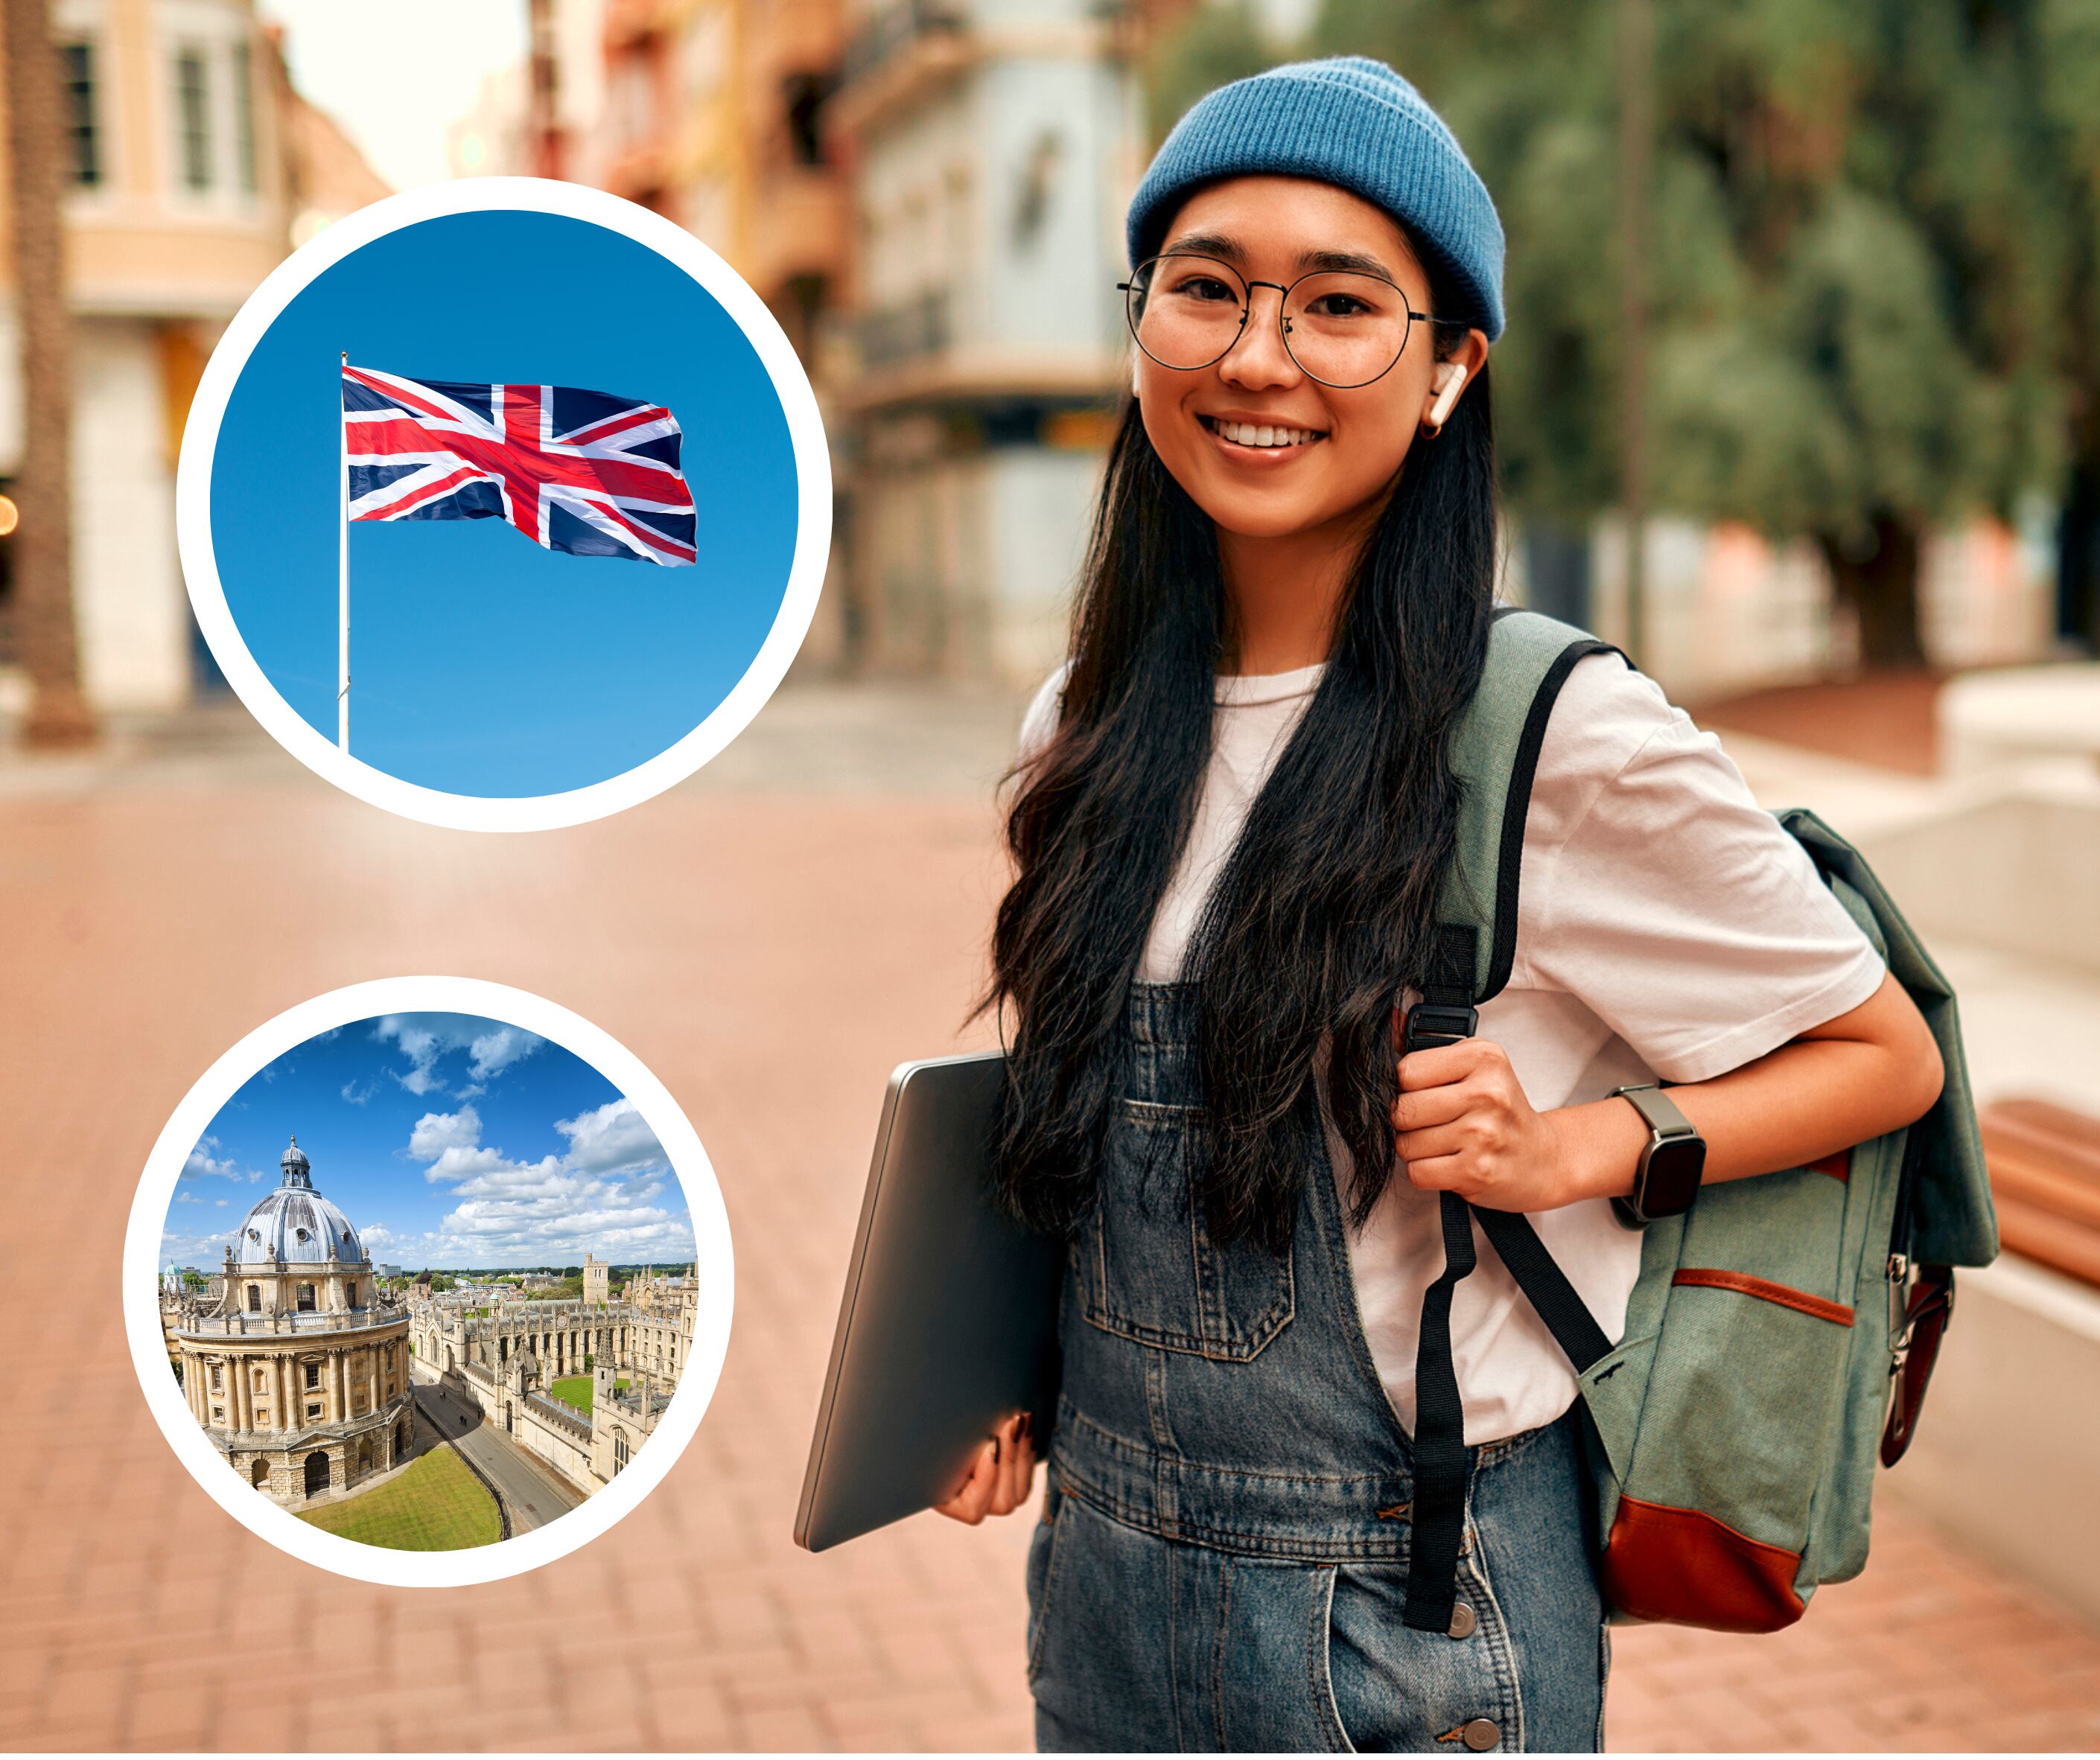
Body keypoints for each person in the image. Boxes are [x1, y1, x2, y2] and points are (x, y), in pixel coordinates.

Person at [935, 56, 1945, 1753]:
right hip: (1098, 1592)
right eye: (1205, 290)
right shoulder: (1087, 722)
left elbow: (1880, 1053)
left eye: (1340, 305)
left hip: (1410, 1626)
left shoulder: (1548, 732)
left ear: (1450, 369)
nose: (1257, 356)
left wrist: (1577, 1149)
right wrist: (992, 1376)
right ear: (1142, 331)